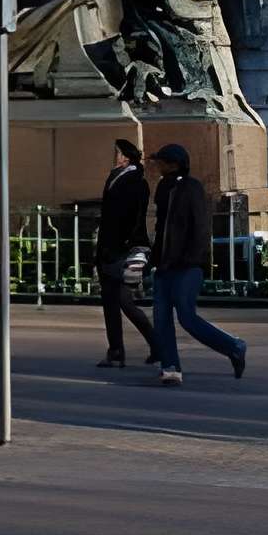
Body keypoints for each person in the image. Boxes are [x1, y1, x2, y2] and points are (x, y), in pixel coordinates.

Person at [145, 142, 247, 386]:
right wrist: (155, 258)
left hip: (187, 266)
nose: (157, 165)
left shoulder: (191, 188)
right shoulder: (163, 187)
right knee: (161, 318)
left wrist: (192, 257)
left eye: (161, 161)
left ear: (173, 164)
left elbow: (201, 227)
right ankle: (171, 367)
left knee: (187, 318)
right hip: (164, 265)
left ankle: (233, 346)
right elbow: (162, 229)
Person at [92, 137, 165, 370]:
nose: (112, 157)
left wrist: (122, 244)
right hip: (110, 248)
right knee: (117, 302)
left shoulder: (136, 182)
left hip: (121, 249)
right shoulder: (116, 178)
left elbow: (134, 218)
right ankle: (149, 346)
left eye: (115, 153)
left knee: (118, 302)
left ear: (125, 156)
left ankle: (119, 352)